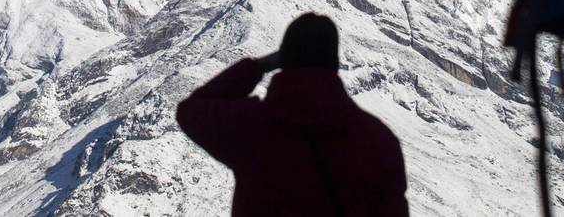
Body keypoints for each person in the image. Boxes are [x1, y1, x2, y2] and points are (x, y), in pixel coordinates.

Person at [175, 13, 409, 216]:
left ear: (285, 59)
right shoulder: (378, 141)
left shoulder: (252, 126)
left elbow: (191, 109)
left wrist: (258, 66)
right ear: (334, 64)